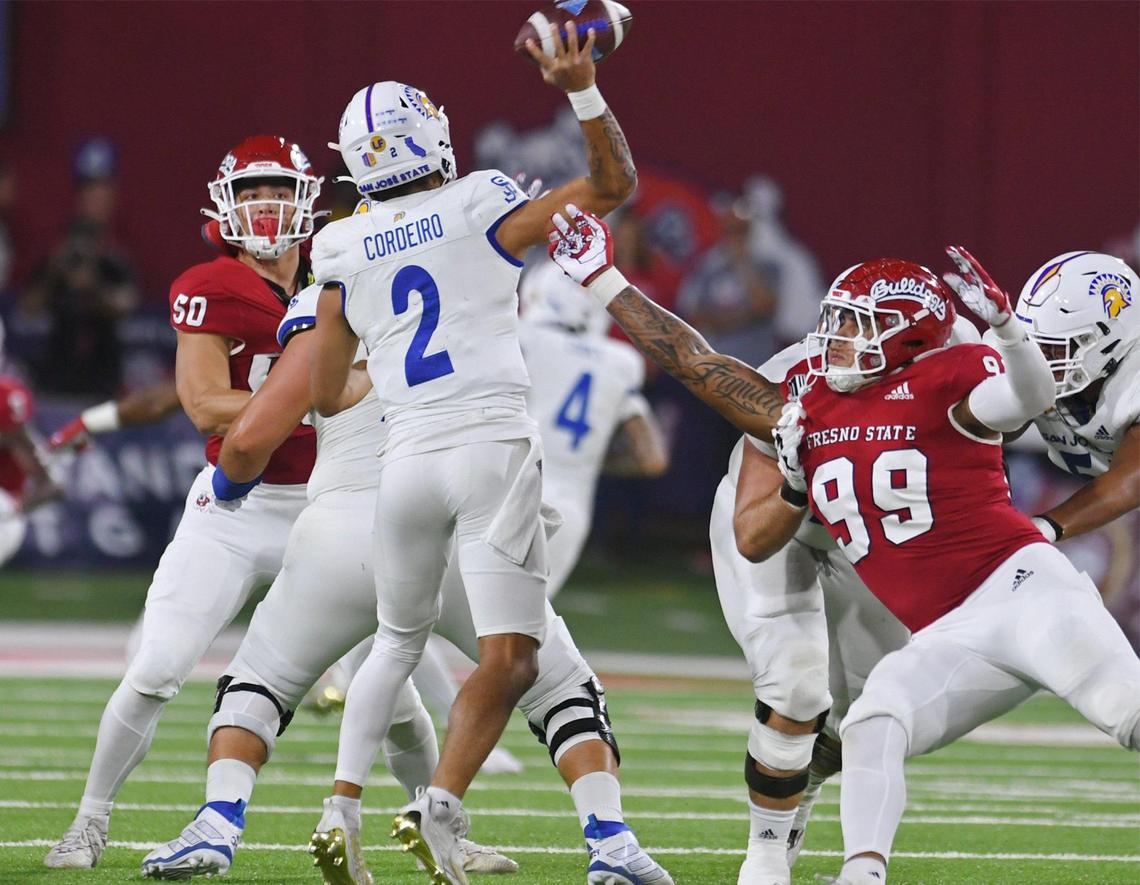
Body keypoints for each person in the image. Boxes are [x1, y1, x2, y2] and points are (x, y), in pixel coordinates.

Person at [548, 210, 1140, 885]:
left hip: (943, 562)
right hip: (817, 532)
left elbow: (1028, 398)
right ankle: (784, 862)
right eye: (839, 322)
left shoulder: (959, 369)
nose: (834, 342)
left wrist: (1011, 342)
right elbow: (748, 521)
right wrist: (604, 279)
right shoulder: (803, 394)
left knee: (860, 716)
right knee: (811, 690)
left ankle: (809, 811)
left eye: (860, 327)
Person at [144, 278, 669, 883]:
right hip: (455, 518)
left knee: (259, 682)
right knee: (562, 688)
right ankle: (609, 838)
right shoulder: (464, 286)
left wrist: (229, 489)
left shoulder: (328, 299)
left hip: (344, 526)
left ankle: (223, 819)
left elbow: (248, 438)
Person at [303, 20, 662, 884]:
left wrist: (397, 375)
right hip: (490, 450)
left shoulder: (338, 245)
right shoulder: (479, 202)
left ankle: (340, 805)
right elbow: (614, 184)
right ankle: (442, 808)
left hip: (403, 463)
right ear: (427, 135)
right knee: (517, 657)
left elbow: (324, 392)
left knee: (395, 644)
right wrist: (583, 89)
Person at [43, 134, 323, 870]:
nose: (268, 205)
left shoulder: (343, 274)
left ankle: (442, 818)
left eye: (280, 190)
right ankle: (90, 819)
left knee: (396, 682)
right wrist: (316, 398)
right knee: (156, 667)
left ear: (307, 200)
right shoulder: (212, 283)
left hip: (328, 505)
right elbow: (202, 404)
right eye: (253, 192)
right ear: (226, 206)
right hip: (236, 510)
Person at [519, 262, 668, 596]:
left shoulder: (521, 339)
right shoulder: (621, 361)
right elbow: (652, 459)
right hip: (571, 507)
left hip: (507, 490)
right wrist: (588, 458)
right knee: (525, 620)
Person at [1010, 251, 1139, 541]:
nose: (1041, 361)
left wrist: (1037, 531)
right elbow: (993, 428)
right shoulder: (1062, 376)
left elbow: (1132, 482)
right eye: (1036, 346)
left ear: (1109, 340)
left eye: (1055, 348)